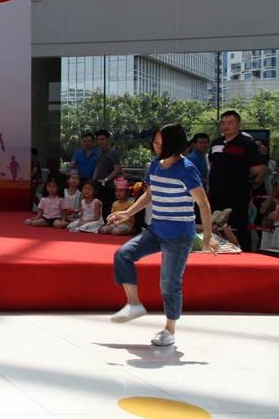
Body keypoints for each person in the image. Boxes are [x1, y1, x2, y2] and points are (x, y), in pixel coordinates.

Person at [108, 121, 218, 347]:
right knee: (123, 255)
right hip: (156, 229)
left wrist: (207, 235)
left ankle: (170, 330)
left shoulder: (186, 169)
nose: (158, 147)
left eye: (162, 143)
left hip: (179, 234)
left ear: (174, 144)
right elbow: (150, 194)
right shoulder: (154, 165)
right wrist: (127, 212)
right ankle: (134, 304)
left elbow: (203, 203)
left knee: (169, 282)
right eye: (156, 142)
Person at [207, 110, 269, 251]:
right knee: (214, 226)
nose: (226, 126)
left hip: (237, 194)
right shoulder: (216, 143)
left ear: (239, 124)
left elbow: (257, 168)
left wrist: (237, 173)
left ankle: (243, 253)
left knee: (237, 226)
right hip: (216, 193)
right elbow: (212, 165)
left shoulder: (246, 144)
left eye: (230, 123)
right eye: (223, 123)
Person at [92, 129, 125, 214]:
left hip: (109, 186)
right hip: (99, 185)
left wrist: (106, 179)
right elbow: (97, 167)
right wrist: (93, 181)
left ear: (108, 139)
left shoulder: (113, 152)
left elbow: (118, 168)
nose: (100, 141)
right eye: (98, 139)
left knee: (107, 209)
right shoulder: (100, 152)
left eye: (103, 139)